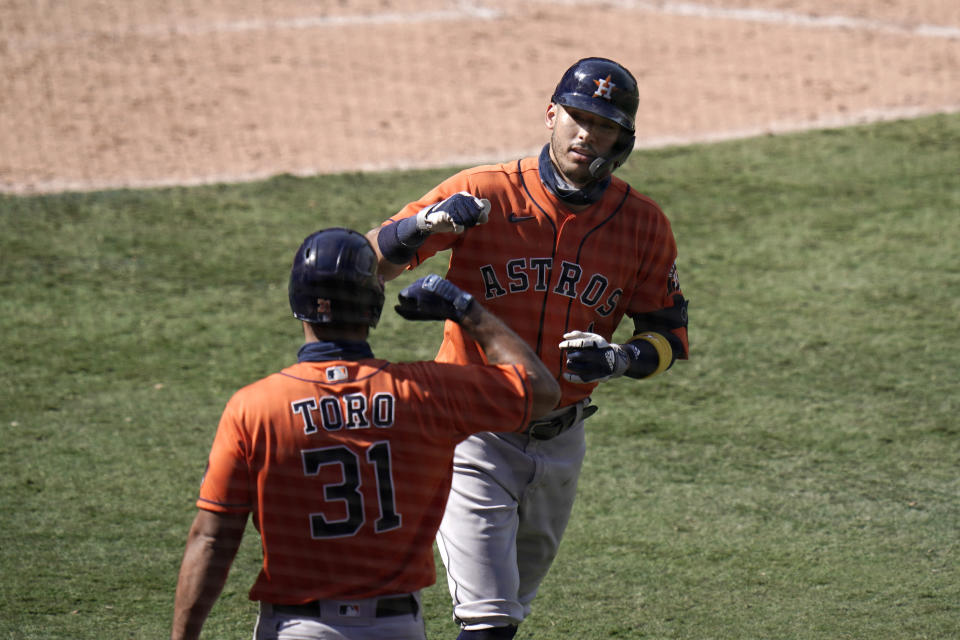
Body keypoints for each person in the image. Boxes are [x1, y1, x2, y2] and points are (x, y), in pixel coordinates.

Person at [365, 57, 690, 638]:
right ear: (550, 115)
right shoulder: (483, 191)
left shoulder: (643, 225)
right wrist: (424, 225)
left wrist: (621, 360)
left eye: (605, 125)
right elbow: (369, 265)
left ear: (625, 140)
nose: (587, 134)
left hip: (562, 441)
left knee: (507, 615)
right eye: (578, 117)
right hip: (471, 434)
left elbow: (669, 336)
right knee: (488, 620)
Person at [170, 227, 560, 640]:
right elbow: (541, 391)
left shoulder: (255, 407)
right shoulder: (429, 393)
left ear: (297, 303)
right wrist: (467, 311)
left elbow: (211, 540)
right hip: (395, 627)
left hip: (297, 628)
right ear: (374, 306)